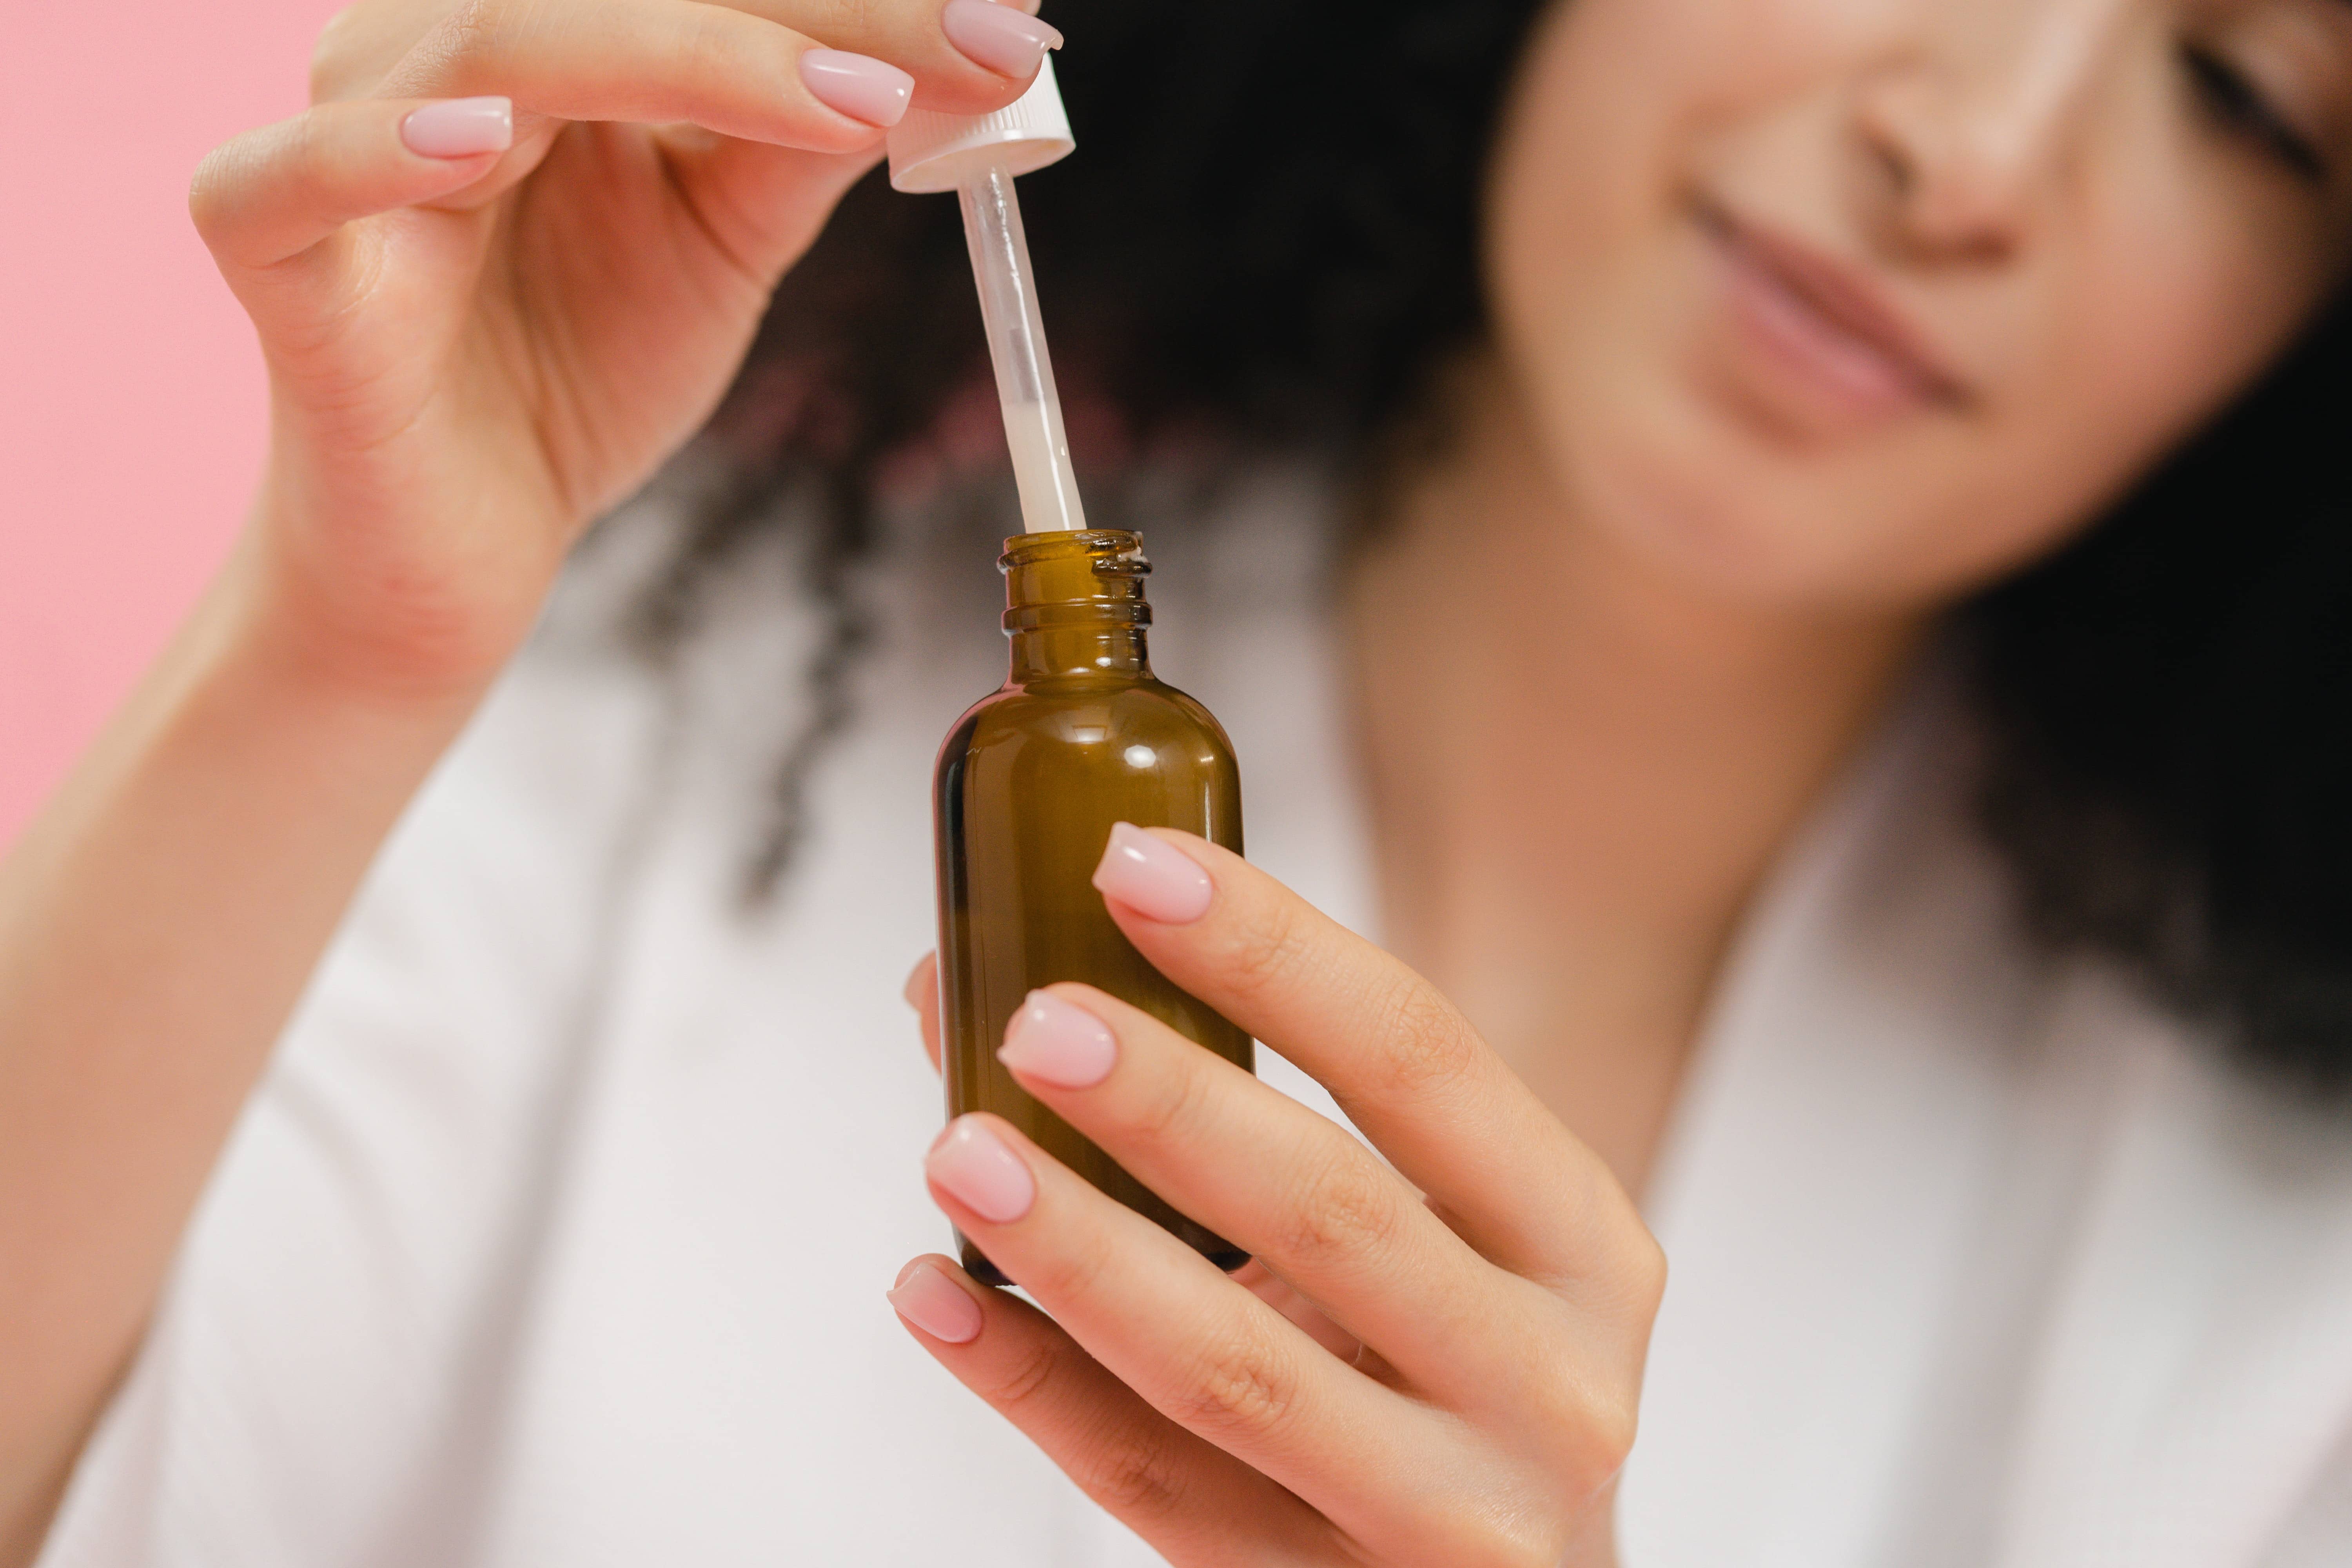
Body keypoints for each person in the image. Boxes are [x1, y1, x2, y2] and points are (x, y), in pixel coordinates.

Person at [5, 0, 2351, 1561]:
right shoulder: (675, 713)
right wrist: (332, 645)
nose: (1966, 152)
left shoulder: (2278, 1324)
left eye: (2248, 96)